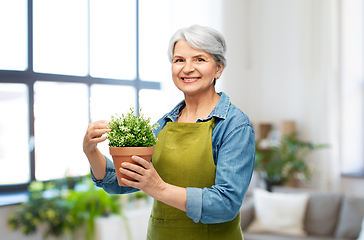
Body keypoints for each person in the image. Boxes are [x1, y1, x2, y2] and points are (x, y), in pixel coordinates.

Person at [83, 24, 255, 240]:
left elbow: (225, 204)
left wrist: (159, 188)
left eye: (199, 59)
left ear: (218, 68)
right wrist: (90, 150)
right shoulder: (163, 124)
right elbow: (120, 182)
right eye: (179, 60)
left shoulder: (234, 125)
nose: (187, 68)